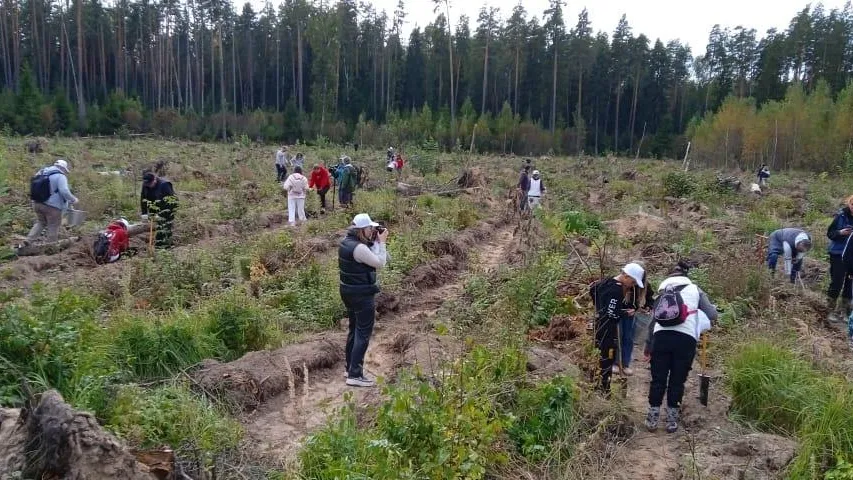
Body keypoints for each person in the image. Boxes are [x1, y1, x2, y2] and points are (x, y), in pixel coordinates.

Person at [644, 261, 717, 434]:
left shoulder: (662, 292)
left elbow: (652, 322)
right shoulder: (695, 290)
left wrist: (648, 345)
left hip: (660, 338)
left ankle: (652, 417)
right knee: (677, 380)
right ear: (686, 276)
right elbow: (712, 314)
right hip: (686, 339)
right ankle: (671, 420)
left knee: (658, 378)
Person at [339, 213, 389, 387]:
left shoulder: (346, 242)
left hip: (348, 292)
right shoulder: (359, 249)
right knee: (363, 332)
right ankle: (355, 374)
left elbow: (368, 256)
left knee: (354, 329)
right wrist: (382, 243)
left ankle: (349, 367)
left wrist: (374, 241)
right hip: (361, 294)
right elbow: (380, 262)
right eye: (370, 228)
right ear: (363, 229)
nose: (372, 231)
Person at [590, 263, 646, 394]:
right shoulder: (616, 290)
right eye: (632, 282)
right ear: (626, 276)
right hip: (607, 328)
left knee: (600, 354)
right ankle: (604, 388)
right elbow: (611, 313)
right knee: (607, 356)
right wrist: (625, 313)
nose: (632, 286)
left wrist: (599, 307)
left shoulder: (606, 281)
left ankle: (598, 384)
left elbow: (593, 289)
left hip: (599, 323)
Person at [25, 159, 78, 245]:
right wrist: (73, 199)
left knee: (41, 222)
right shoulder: (60, 176)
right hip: (52, 206)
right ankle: (51, 245)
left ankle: (29, 240)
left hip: (37, 203)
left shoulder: (41, 172)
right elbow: (64, 191)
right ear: (63, 168)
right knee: (53, 225)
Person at [614, 268, 654, 376]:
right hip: (618, 313)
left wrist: (645, 307)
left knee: (629, 338)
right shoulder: (619, 283)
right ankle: (615, 363)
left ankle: (625, 364)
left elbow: (649, 298)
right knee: (618, 336)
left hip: (631, 314)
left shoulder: (643, 285)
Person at [826, 196, 853, 320]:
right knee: (837, 282)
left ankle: (845, 312)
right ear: (849, 204)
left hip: (851, 256)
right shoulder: (840, 216)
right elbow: (830, 233)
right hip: (838, 254)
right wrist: (841, 233)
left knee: (850, 283)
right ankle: (830, 311)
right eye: (852, 204)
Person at [141, 171, 178, 249]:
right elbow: (143, 198)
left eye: (150, 184)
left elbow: (171, 202)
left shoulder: (164, 185)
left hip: (167, 209)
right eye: (147, 184)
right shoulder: (145, 184)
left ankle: (164, 247)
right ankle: (154, 244)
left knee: (164, 227)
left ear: (154, 179)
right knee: (154, 227)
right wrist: (144, 213)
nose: (149, 186)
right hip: (153, 207)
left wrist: (161, 215)